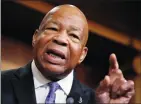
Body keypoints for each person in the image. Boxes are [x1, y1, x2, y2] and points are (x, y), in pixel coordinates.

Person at [2, 4, 135, 104]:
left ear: (82, 55)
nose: (60, 39)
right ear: (35, 37)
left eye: (73, 36)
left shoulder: (94, 101)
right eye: (52, 28)